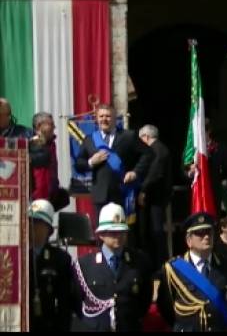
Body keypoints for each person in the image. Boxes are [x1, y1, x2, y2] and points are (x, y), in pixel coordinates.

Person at [72, 202, 153, 332]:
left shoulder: (139, 261)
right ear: (101, 235)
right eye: (112, 232)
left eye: (121, 231)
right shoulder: (84, 265)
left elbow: (144, 301)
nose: (118, 236)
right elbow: (76, 302)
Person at [156, 212, 227, 332]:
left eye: (209, 232)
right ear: (189, 240)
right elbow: (166, 307)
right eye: (200, 233)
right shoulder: (173, 269)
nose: (206, 236)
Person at [74, 103, 154, 219]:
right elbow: (78, 164)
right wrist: (91, 162)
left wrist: (135, 172)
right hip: (100, 195)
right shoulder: (90, 140)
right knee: (101, 233)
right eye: (101, 116)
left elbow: (148, 153)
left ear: (115, 118)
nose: (104, 119)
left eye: (108, 116)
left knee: (122, 233)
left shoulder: (128, 136)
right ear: (96, 118)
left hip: (122, 193)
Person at [28, 199, 74, 332]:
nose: (31, 226)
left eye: (37, 223)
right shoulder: (16, 255)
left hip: (47, 325)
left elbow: (65, 305)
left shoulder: (60, 259)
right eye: (29, 221)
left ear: (49, 230)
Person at [138, 124, 172, 272]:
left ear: (146, 137)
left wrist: (143, 190)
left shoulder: (157, 150)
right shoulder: (159, 149)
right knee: (152, 231)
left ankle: (161, 267)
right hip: (154, 197)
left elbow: (154, 174)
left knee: (156, 232)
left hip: (155, 198)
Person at [29, 112, 69, 211]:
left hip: (50, 197)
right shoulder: (31, 144)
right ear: (39, 126)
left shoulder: (51, 144)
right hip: (37, 200)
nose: (54, 127)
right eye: (51, 124)